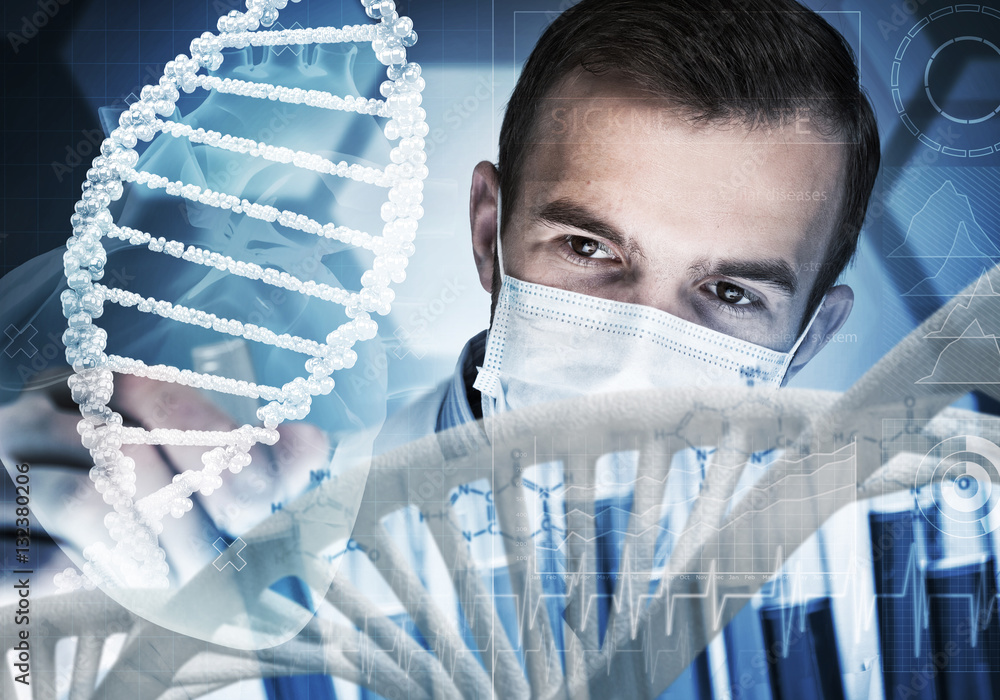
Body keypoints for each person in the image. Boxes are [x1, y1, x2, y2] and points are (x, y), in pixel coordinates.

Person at [0, 0, 879, 697]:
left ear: (809, 338)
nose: (635, 361)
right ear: (489, 231)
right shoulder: (251, 521)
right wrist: (32, 596)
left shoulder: (890, 598)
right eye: (589, 250)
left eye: (730, 294)